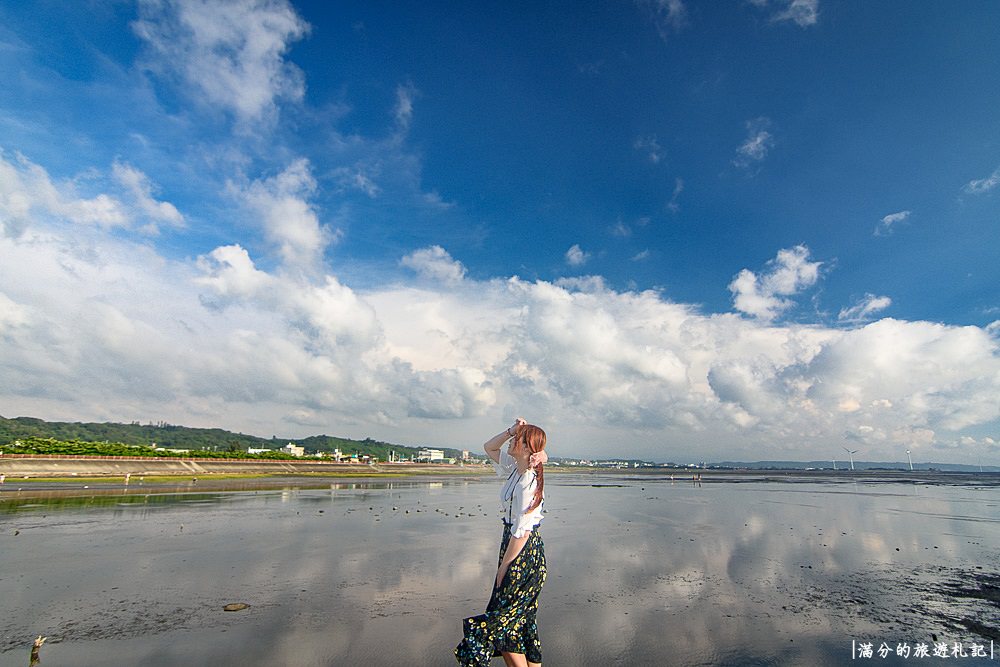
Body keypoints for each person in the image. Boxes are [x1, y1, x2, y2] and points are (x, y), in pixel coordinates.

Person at [456, 418, 549, 667]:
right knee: (519, 620)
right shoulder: (516, 469)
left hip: (522, 555)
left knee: (501, 622)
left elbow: (522, 533)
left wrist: (504, 567)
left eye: (516, 440)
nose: (511, 442)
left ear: (528, 448)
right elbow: (489, 447)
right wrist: (512, 430)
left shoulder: (527, 483)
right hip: (517, 549)